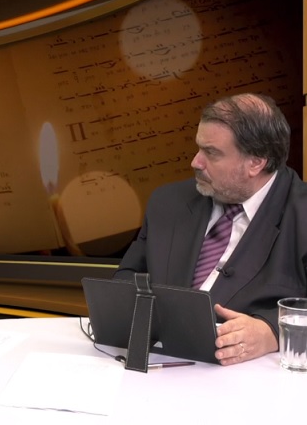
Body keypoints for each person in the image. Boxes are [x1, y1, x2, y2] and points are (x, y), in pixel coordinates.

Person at [115, 93, 307, 366]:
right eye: (199, 148)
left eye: (212, 153)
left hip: (249, 379)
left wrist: (271, 332)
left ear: (256, 162)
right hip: (156, 367)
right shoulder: (167, 202)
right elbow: (127, 278)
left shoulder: (301, 215)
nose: (196, 162)